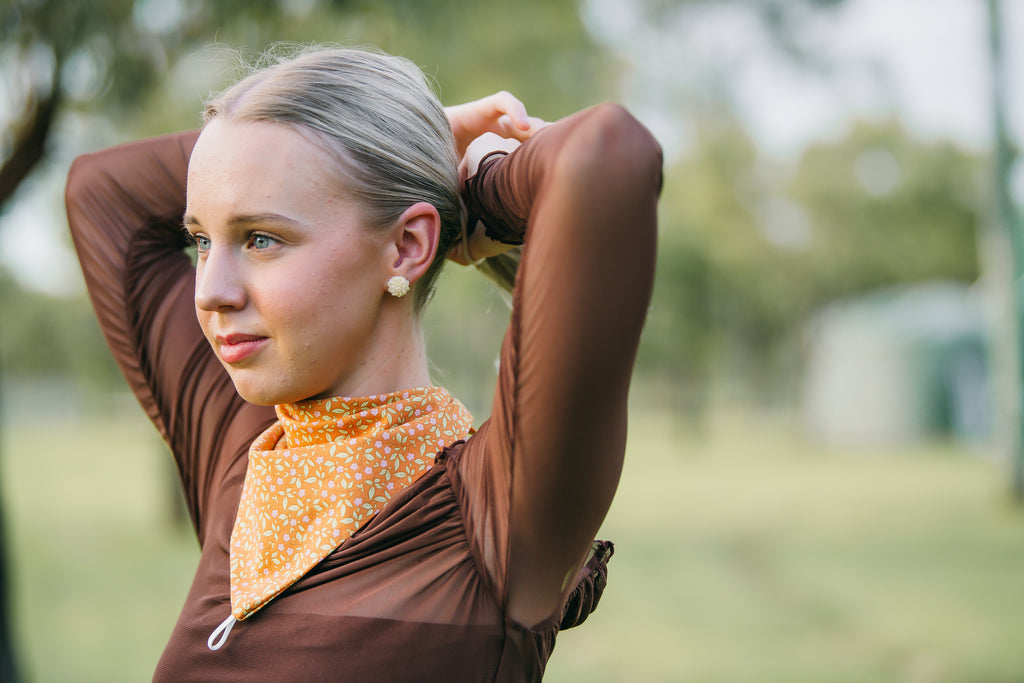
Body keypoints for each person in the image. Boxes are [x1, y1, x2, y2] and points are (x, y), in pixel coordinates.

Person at [66, 46, 661, 682]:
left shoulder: (493, 518)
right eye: (202, 241)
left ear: (407, 247)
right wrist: (422, 134)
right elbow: (99, 193)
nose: (210, 290)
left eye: (261, 238)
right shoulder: (242, 449)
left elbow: (607, 156)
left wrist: (478, 181)